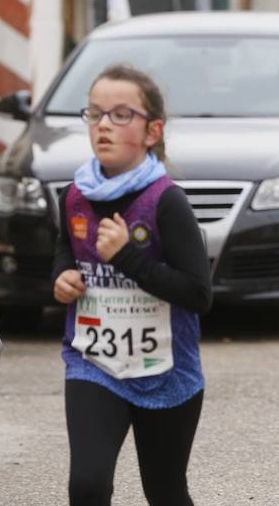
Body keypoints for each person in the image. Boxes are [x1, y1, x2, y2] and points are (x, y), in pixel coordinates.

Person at [52, 64, 212, 506]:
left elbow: (199, 294)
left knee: (164, 490)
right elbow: (67, 250)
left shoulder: (167, 202)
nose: (104, 125)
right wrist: (62, 277)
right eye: (95, 114)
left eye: (121, 115)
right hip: (93, 362)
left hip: (166, 371)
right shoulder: (73, 196)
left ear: (152, 130)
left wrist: (126, 256)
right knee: (86, 486)